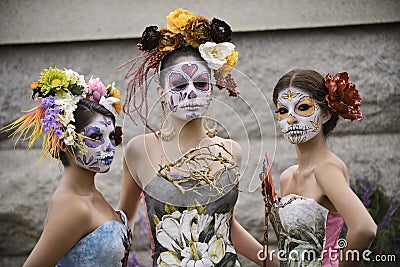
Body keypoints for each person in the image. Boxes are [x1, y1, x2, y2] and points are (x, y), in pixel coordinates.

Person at [118, 8, 268, 266]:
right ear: (161, 92)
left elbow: (224, 224)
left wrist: (273, 261)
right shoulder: (139, 151)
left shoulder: (232, 151)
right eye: (178, 85)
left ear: (212, 87)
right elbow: (122, 226)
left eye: (200, 84)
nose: (191, 93)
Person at [3, 67, 131, 267]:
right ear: (65, 143)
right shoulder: (72, 206)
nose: (110, 147)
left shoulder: (92, 195)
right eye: (96, 137)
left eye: (112, 137)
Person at [271, 69, 377, 266]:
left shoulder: (326, 169)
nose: (291, 119)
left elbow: (364, 228)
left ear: (326, 113)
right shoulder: (288, 176)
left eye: (302, 107)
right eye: (283, 111)